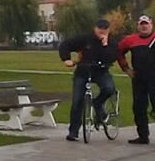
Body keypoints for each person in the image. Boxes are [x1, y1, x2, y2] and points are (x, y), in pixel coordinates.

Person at [59, 18, 119, 142]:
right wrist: (66, 59)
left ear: (108, 30)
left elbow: (112, 57)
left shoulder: (112, 42)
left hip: (101, 72)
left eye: (105, 29)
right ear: (95, 28)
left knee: (109, 88)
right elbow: (66, 45)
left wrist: (105, 45)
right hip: (83, 72)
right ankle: (73, 131)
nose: (102, 32)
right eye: (99, 29)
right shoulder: (85, 38)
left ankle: (98, 103)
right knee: (77, 101)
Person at [121, 15, 155, 144]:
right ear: (138, 26)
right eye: (142, 24)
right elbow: (118, 52)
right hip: (139, 77)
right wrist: (126, 68)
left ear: (151, 25)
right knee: (139, 108)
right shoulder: (130, 40)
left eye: (146, 24)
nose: (144, 26)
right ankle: (143, 136)